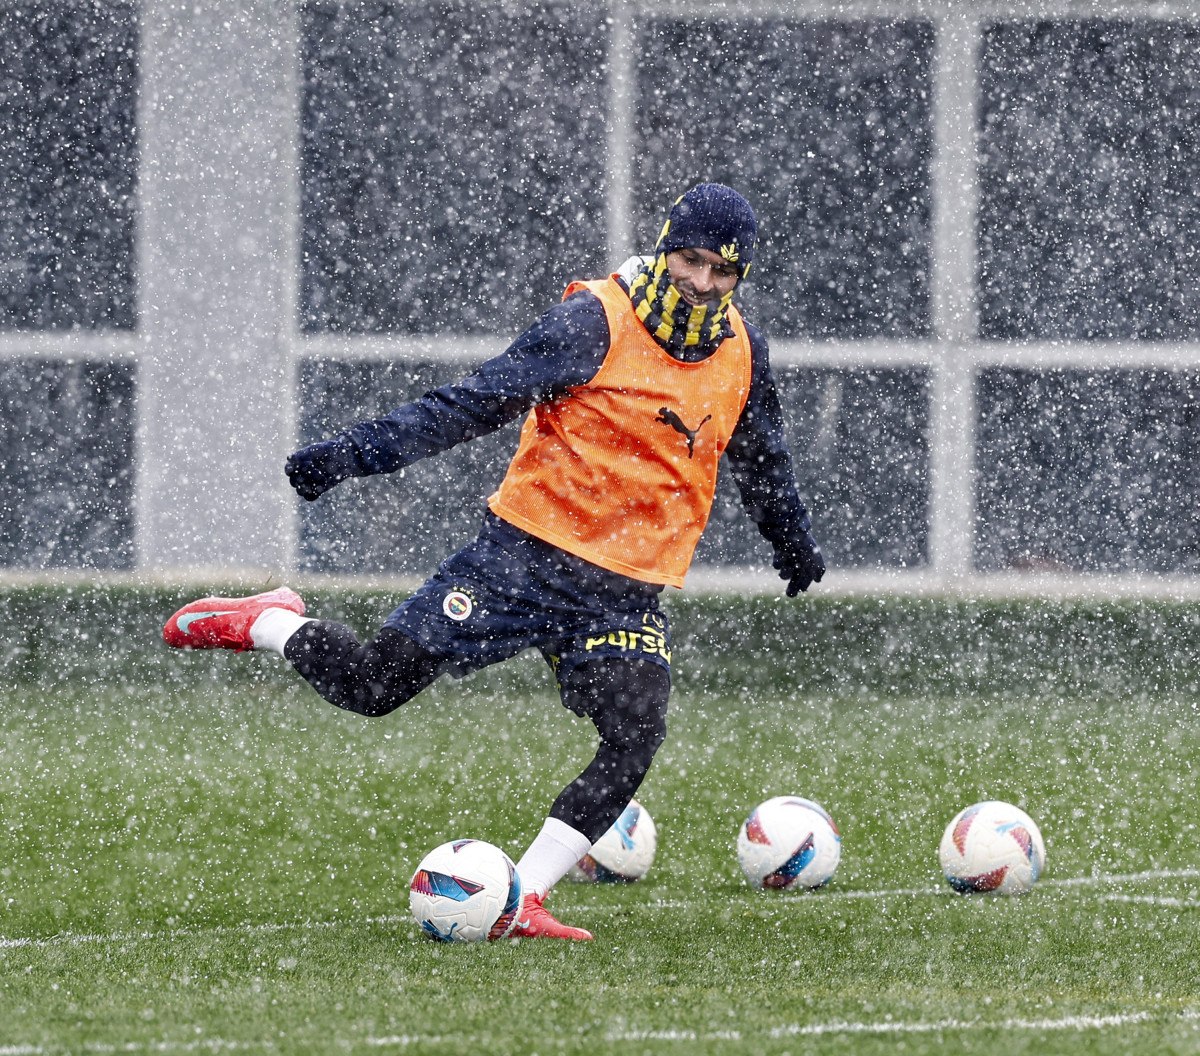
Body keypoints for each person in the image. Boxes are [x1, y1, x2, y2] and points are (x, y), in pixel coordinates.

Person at [163, 184, 825, 941]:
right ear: (667, 245)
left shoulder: (744, 351)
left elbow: (762, 456)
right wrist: (353, 455)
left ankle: (523, 897)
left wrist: (793, 543)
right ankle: (270, 623)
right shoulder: (594, 320)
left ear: (741, 276)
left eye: (722, 271)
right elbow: (470, 402)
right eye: (690, 260)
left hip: (623, 595)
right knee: (373, 687)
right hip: (523, 561)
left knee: (635, 731)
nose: (701, 282)